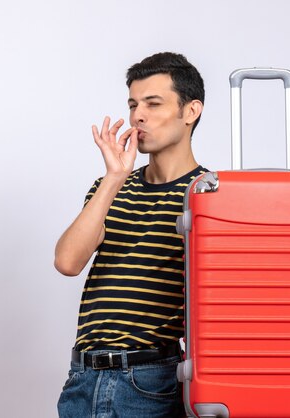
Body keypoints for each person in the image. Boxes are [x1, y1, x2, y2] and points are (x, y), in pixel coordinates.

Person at [54, 52, 207, 418]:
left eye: (153, 104)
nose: (138, 115)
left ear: (191, 111)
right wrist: (113, 177)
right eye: (134, 104)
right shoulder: (111, 188)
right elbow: (67, 261)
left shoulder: (208, 195)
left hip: (150, 381)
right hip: (83, 378)